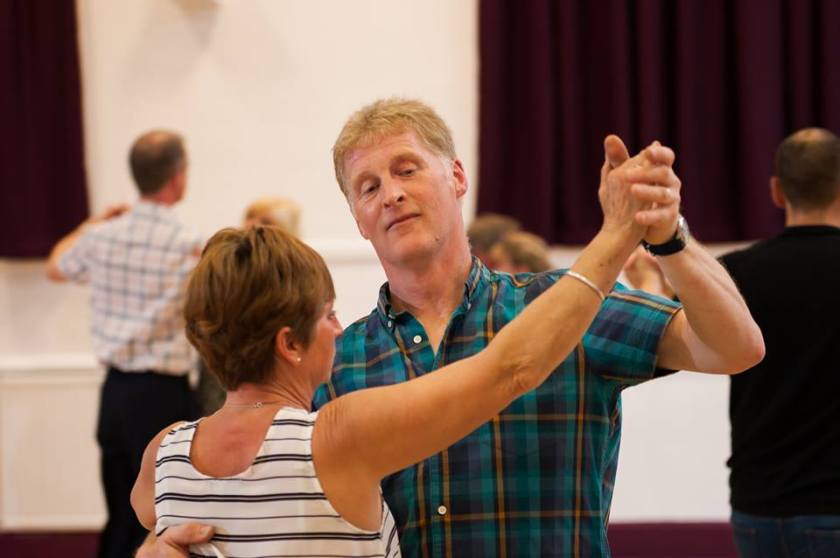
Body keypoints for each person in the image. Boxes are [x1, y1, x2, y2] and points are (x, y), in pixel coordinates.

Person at [140, 98, 764, 557]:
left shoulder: (563, 307)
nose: (391, 194)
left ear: (457, 177)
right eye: (368, 186)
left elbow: (736, 347)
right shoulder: (334, 360)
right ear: (357, 218)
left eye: (407, 169)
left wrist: (668, 237)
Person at [132, 179, 650, 557]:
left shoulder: (163, 455)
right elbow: (508, 369)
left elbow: (160, 528)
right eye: (327, 314)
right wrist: (617, 234)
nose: (339, 328)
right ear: (289, 344)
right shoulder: (338, 434)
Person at [622, 128, 840, 558]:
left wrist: (647, 280)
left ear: (776, 191)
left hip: (758, 504)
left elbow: (659, 339)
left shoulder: (731, 274)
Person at [46, 130, 202, 558]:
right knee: (162, 515)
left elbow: (56, 265)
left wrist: (91, 223)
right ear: (177, 176)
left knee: (119, 511)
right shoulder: (189, 244)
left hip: (114, 393)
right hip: (163, 395)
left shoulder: (102, 237)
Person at [195, 196, 304, 415]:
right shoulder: (225, 273)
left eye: (265, 220)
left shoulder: (299, 284)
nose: (252, 224)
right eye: (250, 216)